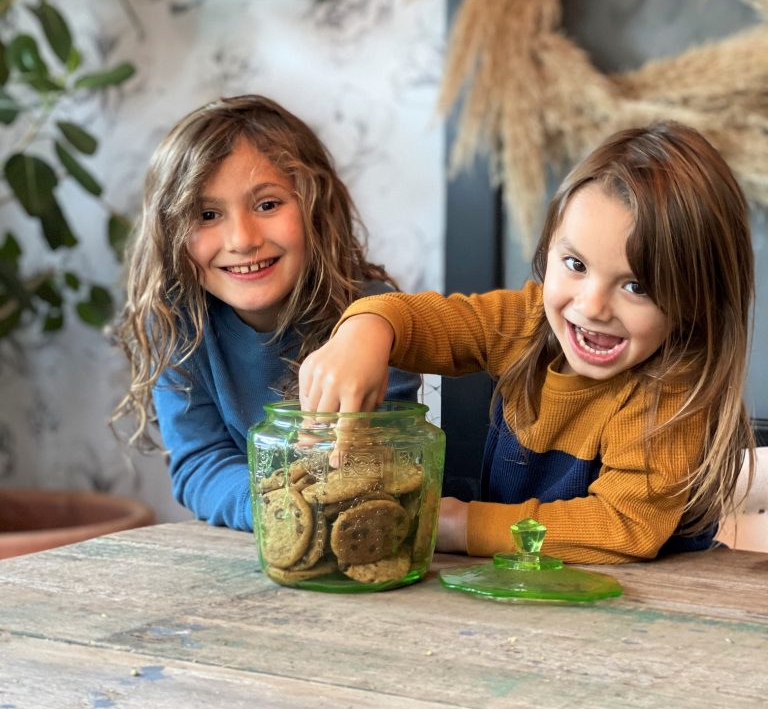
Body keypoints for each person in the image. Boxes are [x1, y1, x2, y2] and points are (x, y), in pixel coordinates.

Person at [298, 121, 756, 563]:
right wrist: (364, 332)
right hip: (523, 589)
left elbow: (621, 526)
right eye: (576, 264)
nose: (593, 306)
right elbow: (421, 320)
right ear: (548, 248)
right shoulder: (528, 322)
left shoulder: (672, 391)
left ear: (696, 302)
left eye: (637, 286)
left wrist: (460, 524)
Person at [111, 94, 419, 531]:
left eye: (268, 204)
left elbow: (390, 460)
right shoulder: (178, 325)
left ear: (316, 207)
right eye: (208, 214)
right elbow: (201, 461)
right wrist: (277, 510)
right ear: (171, 232)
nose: (242, 239)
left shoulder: (370, 320)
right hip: (263, 543)